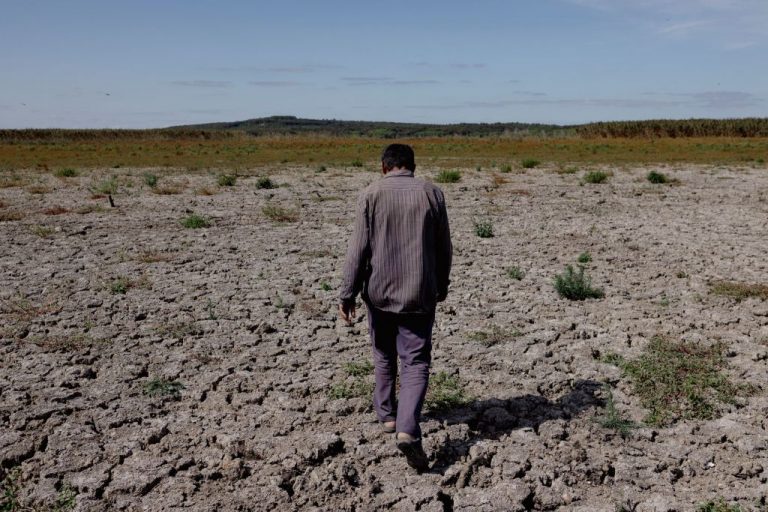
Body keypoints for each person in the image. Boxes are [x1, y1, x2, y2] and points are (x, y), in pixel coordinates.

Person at [339, 143, 452, 471]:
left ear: (383, 166)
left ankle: (387, 416)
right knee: (415, 361)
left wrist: (347, 294)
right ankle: (407, 428)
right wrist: (440, 286)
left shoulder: (371, 194)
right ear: (412, 166)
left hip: (379, 293)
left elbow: (357, 250)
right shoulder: (433, 194)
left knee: (384, 353)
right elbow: (443, 248)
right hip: (419, 293)